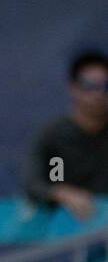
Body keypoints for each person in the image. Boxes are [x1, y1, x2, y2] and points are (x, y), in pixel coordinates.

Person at [24, 50, 108, 220]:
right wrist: (61, 193)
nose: (98, 94)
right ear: (73, 88)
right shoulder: (54, 137)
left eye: (105, 86)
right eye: (89, 86)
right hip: (65, 225)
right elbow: (34, 183)